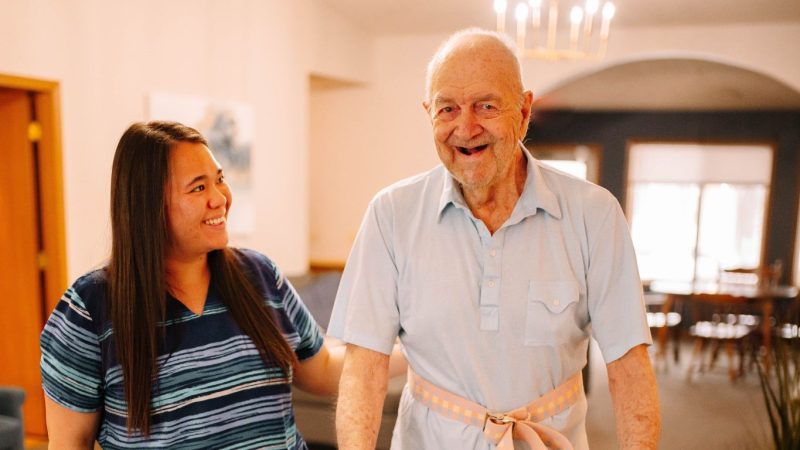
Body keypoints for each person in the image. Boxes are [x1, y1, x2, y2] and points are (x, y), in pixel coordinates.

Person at [328, 29, 660, 450]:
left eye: (486, 106)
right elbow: (365, 368)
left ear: (523, 113)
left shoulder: (595, 214)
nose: (465, 128)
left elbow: (629, 368)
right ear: (428, 113)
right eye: (447, 109)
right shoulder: (391, 214)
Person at [40, 121, 344, 449]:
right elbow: (70, 442)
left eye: (220, 180)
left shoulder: (260, 275)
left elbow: (322, 370)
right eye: (198, 188)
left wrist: (405, 348)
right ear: (149, 205)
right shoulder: (89, 309)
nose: (220, 199)